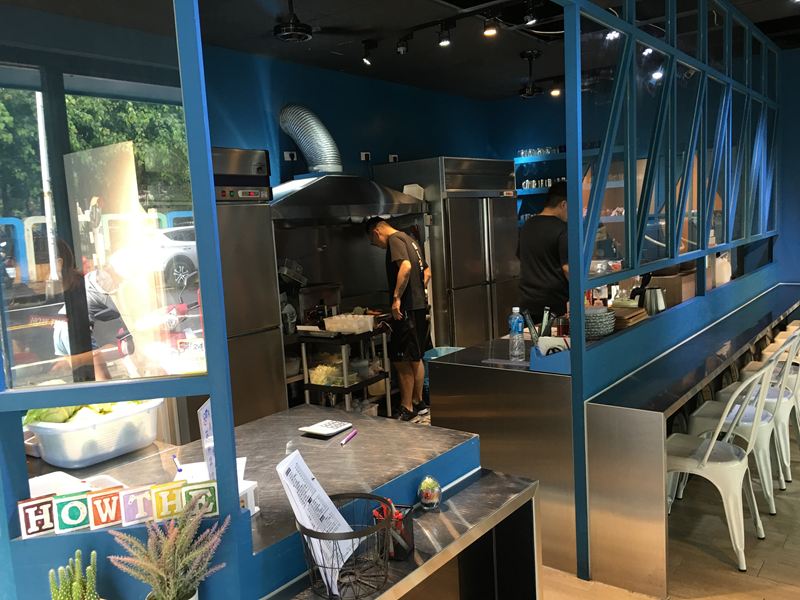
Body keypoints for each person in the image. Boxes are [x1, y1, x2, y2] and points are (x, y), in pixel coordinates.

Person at [366, 217, 431, 421]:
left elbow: (406, 266)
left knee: (401, 359)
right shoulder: (410, 239)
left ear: (376, 232)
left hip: (406, 309)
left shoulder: (394, 240)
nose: (377, 245)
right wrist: (419, 290)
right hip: (417, 307)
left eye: (373, 241)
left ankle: (407, 407)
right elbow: (427, 271)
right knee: (415, 357)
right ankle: (419, 403)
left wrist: (397, 298)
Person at [518, 181, 569, 323]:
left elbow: (521, 258)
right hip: (554, 305)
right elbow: (567, 269)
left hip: (528, 303)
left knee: (532, 337)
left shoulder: (527, 226)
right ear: (563, 204)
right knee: (554, 338)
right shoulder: (562, 229)